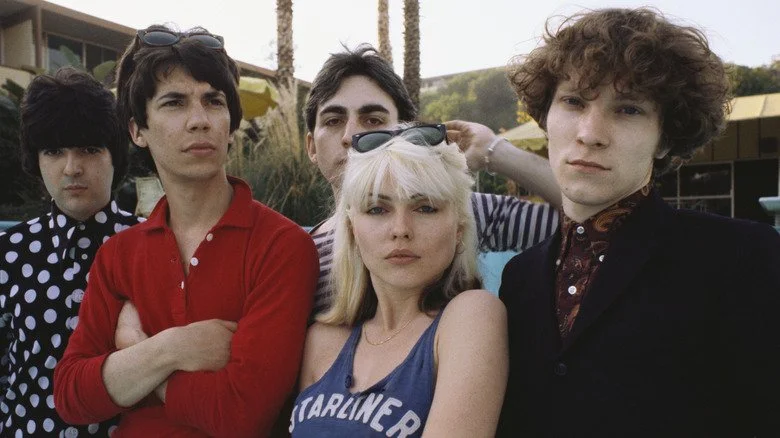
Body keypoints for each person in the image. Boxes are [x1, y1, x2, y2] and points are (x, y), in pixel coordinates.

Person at [498, 8, 780, 437]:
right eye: (573, 101)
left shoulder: (743, 257)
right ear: (545, 116)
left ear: (666, 137)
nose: (590, 133)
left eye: (628, 109)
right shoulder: (519, 278)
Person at [52, 25, 318, 437]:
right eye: (174, 103)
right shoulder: (119, 254)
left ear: (230, 124)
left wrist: (133, 357)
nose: (199, 120)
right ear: (137, 130)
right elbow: (71, 396)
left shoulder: (282, 246)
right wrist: (169, 349)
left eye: (213, 101)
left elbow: (240, 415)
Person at [303, 46, 561, 316]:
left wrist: (494, 151)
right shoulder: (296, 255)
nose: (351, 136)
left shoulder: (454, 212)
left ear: (407, 133)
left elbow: (591, 222)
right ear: (311, 147)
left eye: (373, 119)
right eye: (333, 120)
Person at [291, 124, 507, 437]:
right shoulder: (322, 341)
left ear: (459, 228)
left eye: (425, 207)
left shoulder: (469, 318)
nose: (400, 229)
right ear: (352, 230)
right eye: (378, 208)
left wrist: (497, 151)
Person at [0, 67, 141, 436]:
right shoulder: (10, 252)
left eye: (90, 149)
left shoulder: (155, 245)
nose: (72, 167)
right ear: (37, 159)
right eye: (54, 151)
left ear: (114, 155)